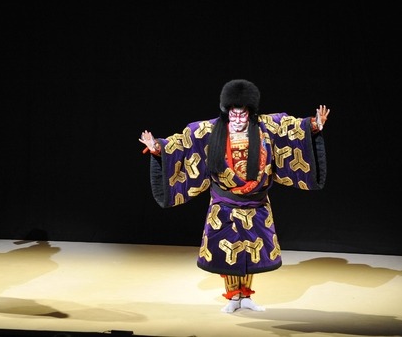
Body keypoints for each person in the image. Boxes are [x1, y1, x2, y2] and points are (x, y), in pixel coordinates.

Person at [138, 79, 329, 313]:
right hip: (224, 204)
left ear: (250, 112)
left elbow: (289, 127)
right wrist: (158, 147)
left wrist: (314, 125)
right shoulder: (209, 130)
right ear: (227, 111)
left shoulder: (265, 127)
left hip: (256, 203)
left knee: (252, 252)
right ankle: (233, 297)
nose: (238, 120)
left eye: (242, 114)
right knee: (228, 252)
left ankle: (246, 296)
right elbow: (183, 142)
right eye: (234, 114)